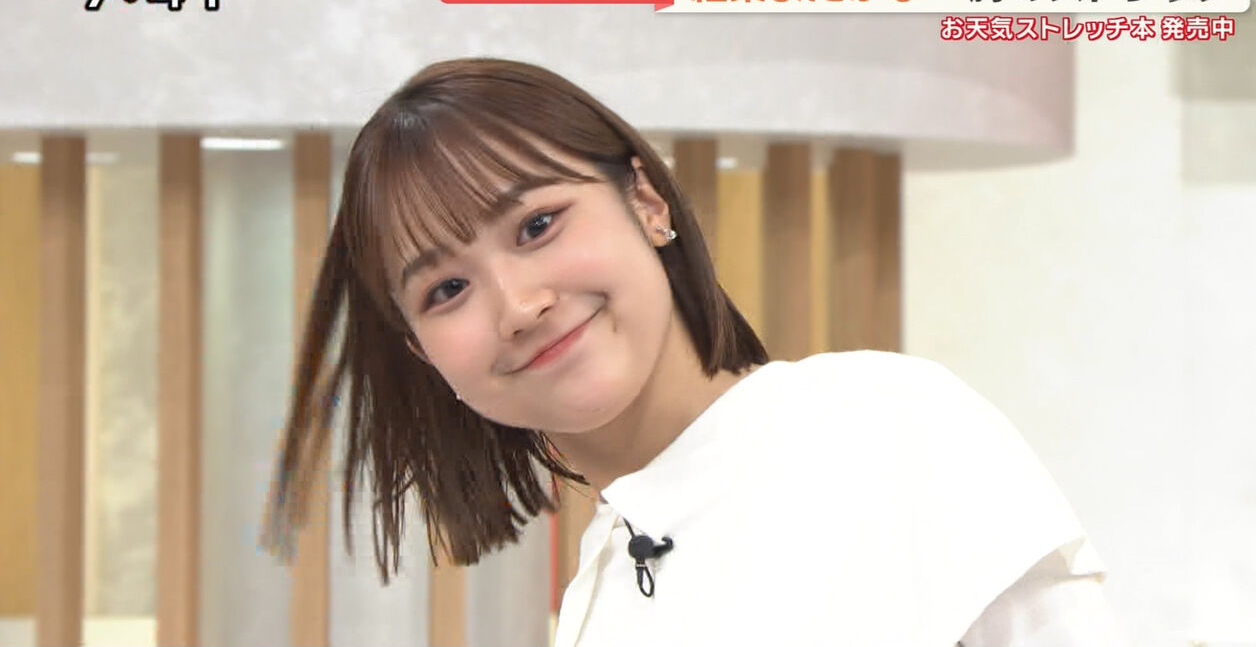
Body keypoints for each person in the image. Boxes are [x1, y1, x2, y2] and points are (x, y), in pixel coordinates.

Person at [261, 57, 1127, 646]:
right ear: (426, 356)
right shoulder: (597, 595)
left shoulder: (884, 423)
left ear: (646, 201)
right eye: (447, 289)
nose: (519, 306)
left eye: (538, 225)